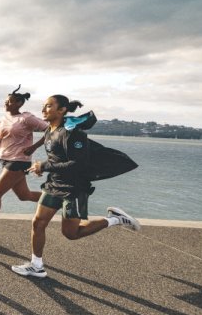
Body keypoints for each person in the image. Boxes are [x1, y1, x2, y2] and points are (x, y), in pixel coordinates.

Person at [11, 95, 140, 278]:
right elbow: (58, 157)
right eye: (43, 106)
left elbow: (78, 164)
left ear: (62, 109)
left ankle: (115, 219)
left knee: (71, 233)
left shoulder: (73, 133)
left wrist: (44, 166)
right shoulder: (50, 130)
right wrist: (41, 167)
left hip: (75, 187)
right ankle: (36, 265)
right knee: (38, 223)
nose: (43, 109)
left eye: (49, 106)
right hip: (54, 184)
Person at [0, 86, 48, 239]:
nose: (5, 103)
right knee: (24, 195)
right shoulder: (2, 120)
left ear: (19, 103)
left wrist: (34, 147)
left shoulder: (26, 118)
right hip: (5, 160)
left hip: (19, 161)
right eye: (5, 101)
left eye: (9, 101)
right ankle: (59, 199)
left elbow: (50, 130)